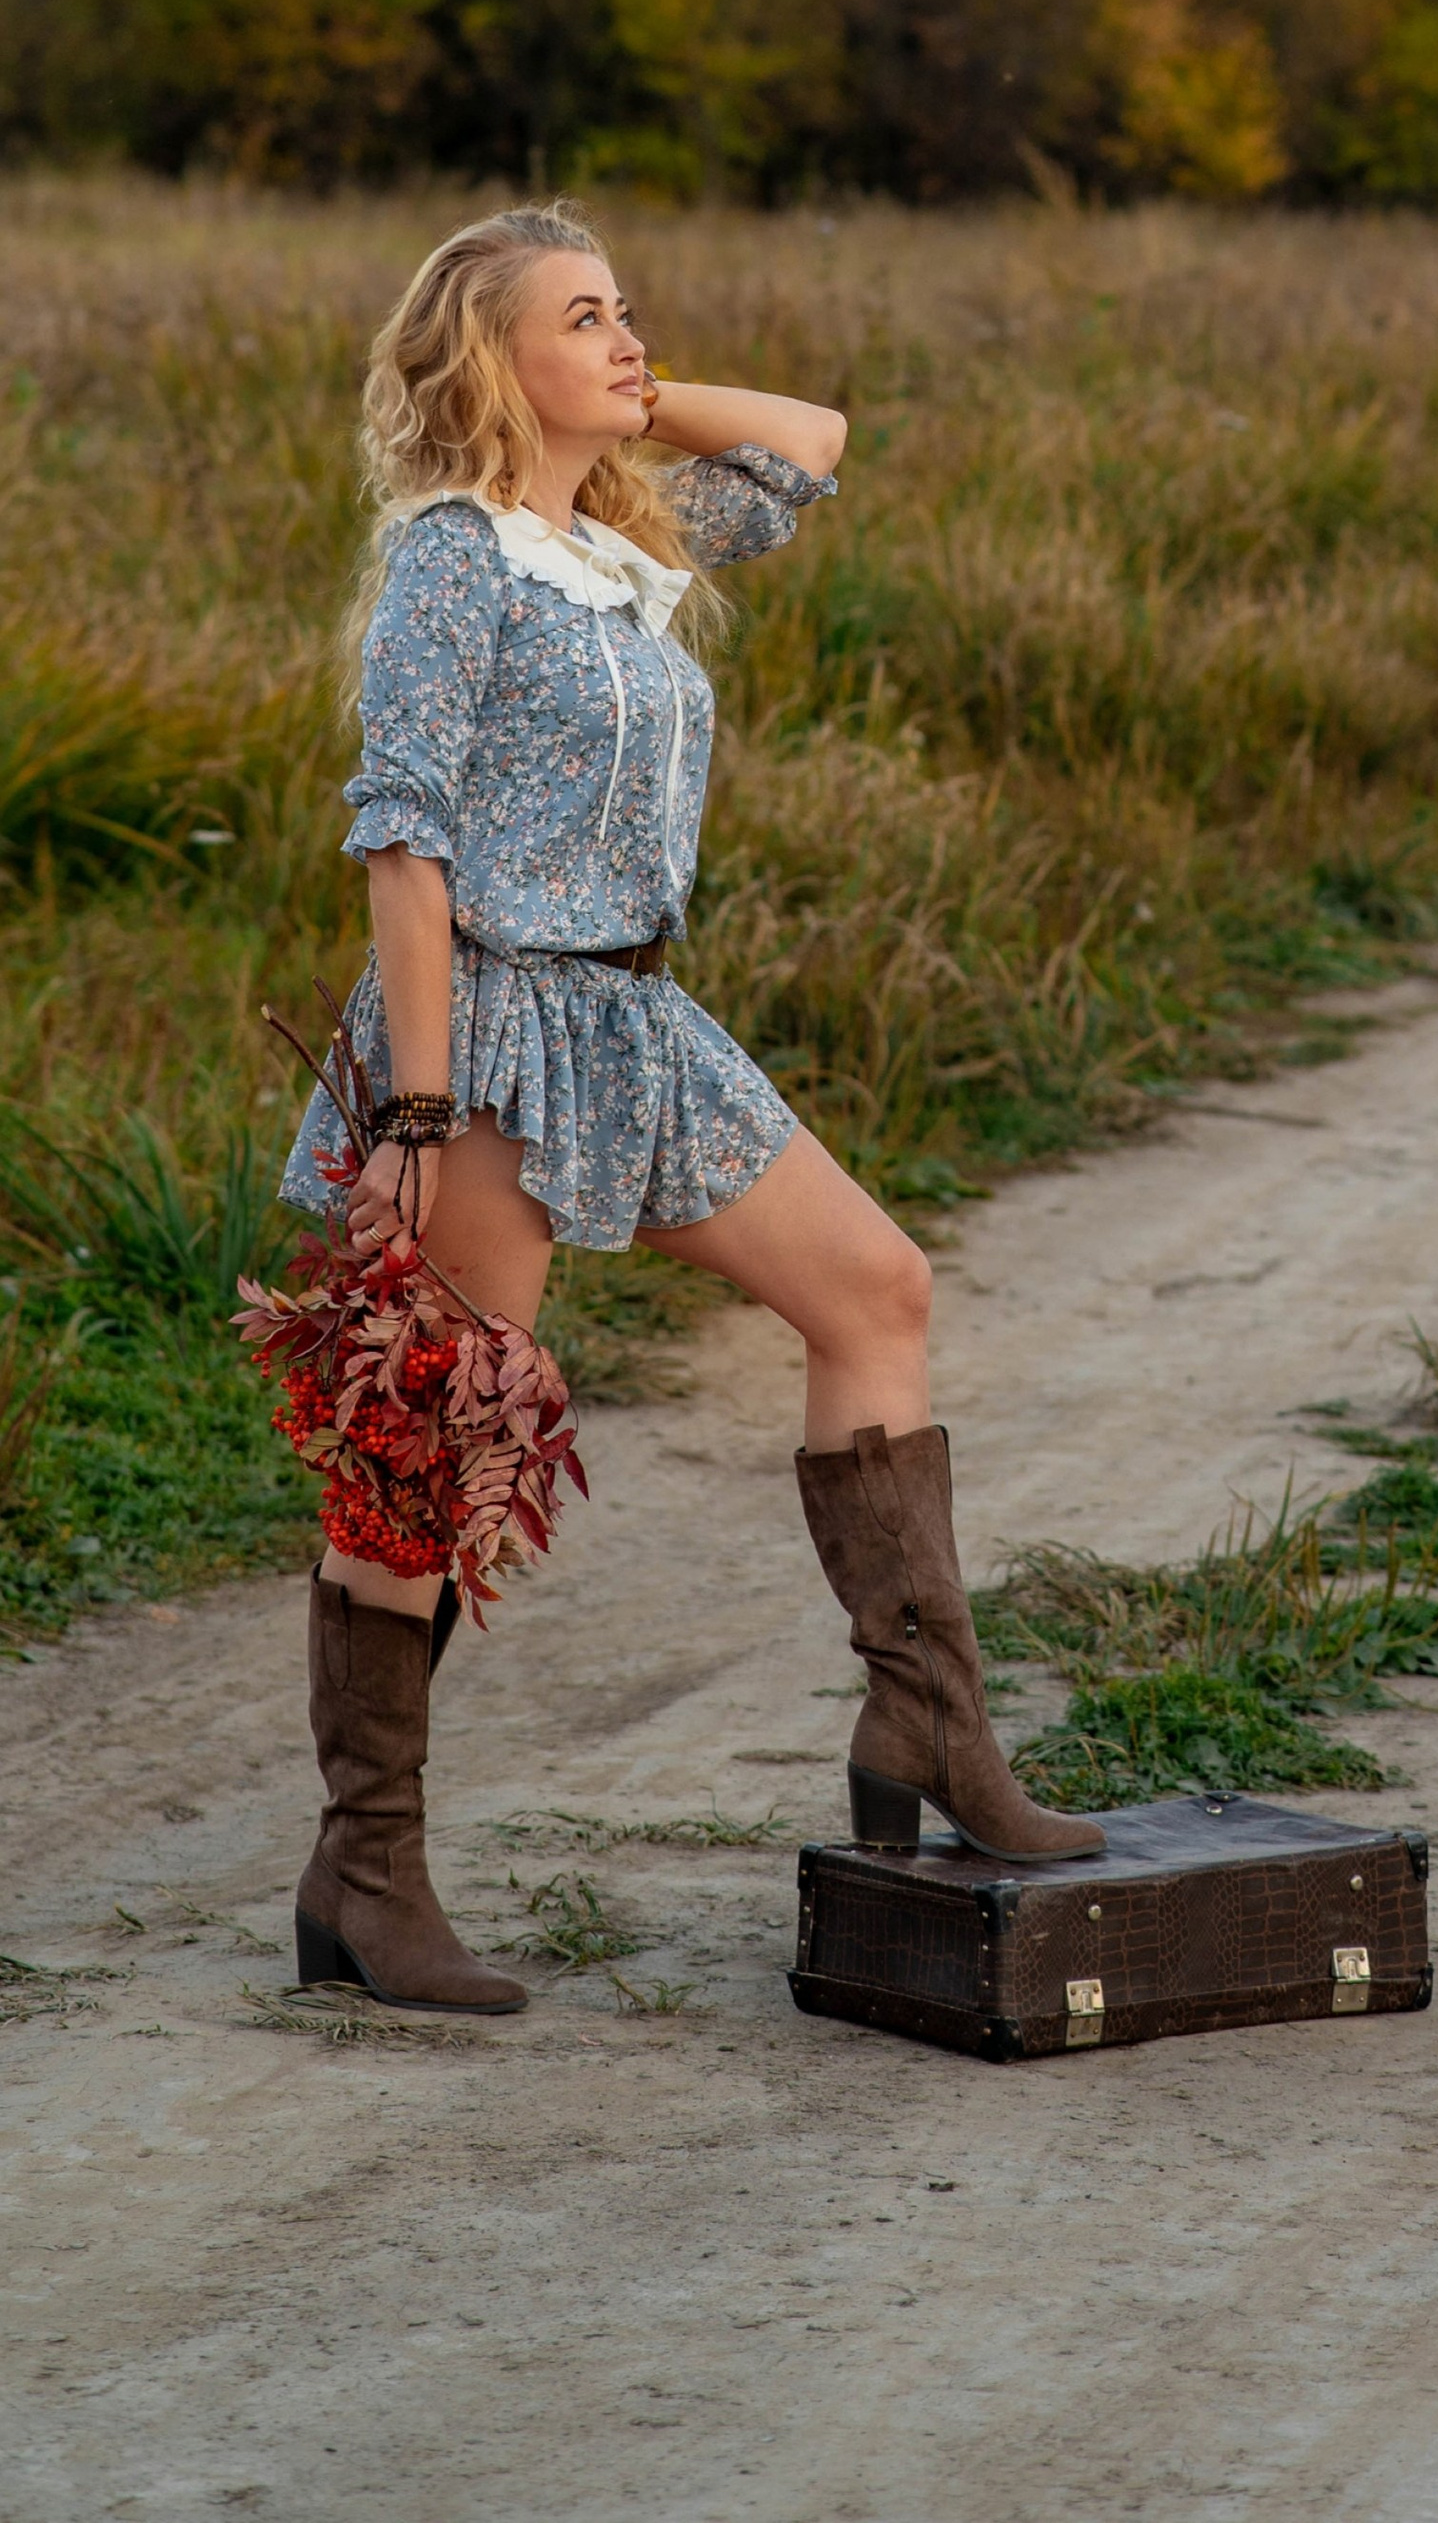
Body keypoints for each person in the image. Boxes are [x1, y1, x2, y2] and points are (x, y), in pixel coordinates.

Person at [278, 200, 1098, 2018]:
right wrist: (412, 1120)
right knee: (434, 1439)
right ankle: (366, 1874)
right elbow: (401, 840)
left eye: (631, 308)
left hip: (637, 1016)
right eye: (590, 319)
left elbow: (809, 443)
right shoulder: (455, 562)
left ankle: (928, 1734)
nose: (635, 337)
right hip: (487, 1030)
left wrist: (622, 408)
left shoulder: (610, 549)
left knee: (875, 1292)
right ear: (497, 367)